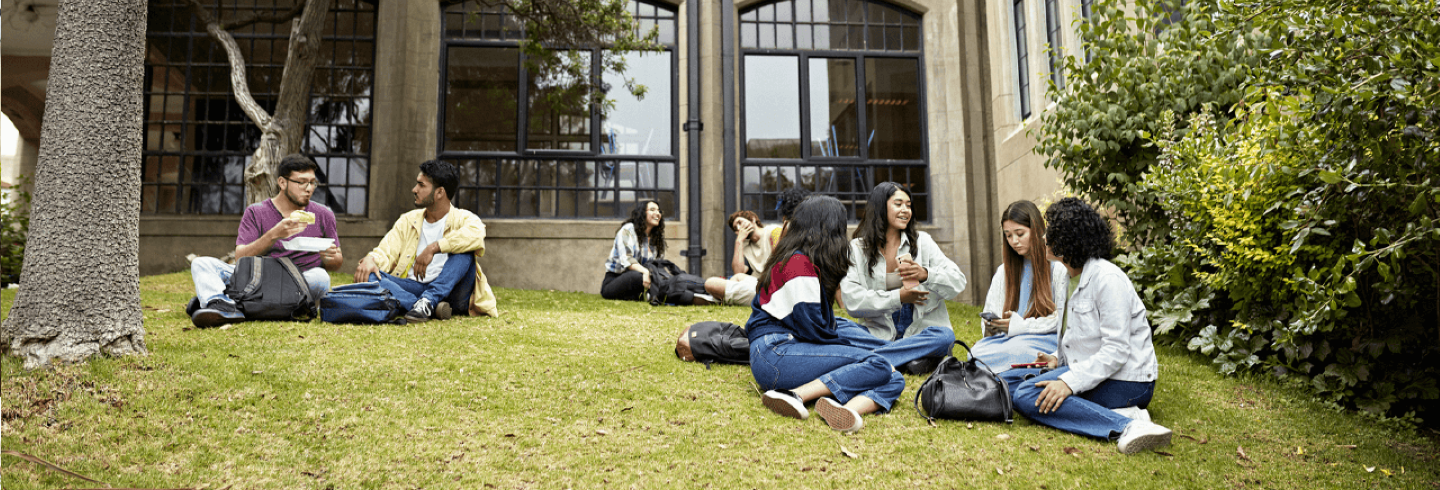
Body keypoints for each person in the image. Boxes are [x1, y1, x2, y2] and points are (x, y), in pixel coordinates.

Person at [998, 197, 1172, 454]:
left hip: (1128, 382)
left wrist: (1068, 383)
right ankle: (1121, 412)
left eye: (1050, 232)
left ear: (1069, 238)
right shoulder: (1068, 278)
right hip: (1092, 372)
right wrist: (1057, 359)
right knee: (1007, 382)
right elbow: (1080, 336)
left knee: (1026, 395)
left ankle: (1127, 426)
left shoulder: (1107, 278)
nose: (1044, 238)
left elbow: (1116, 351)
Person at [749, 196, 905, 433]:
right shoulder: (797, 263)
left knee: (893, 377)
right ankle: (794, 395)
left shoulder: (801, 259)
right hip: (776, 355)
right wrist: (857, 354)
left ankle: (847, 410)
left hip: (784, 352)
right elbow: (814, 330)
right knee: (877, 363)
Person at [189, 154, 342, 328]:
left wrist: (330, 257)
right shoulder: (256, 212)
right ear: (282, 183)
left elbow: (337, 262)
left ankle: (225, 302)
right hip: (257, 278)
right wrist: (273, 235)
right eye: (301, 182)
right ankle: (221, 303)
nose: (309, 188)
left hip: (298, 282)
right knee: (201, 263)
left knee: (321, 277)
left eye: (312, 182)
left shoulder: (324, 214)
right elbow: (241, 258)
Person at [839, 182, 966, 370]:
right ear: (881, 207)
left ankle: (875, 358)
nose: (906, 210)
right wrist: (898, 297)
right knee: (838, 327)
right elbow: (852, 301)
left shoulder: (923, 241)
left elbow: (958, 281)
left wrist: (926, 275)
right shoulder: (857, 248)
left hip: (920, 330)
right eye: (898, 204)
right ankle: (908, 357)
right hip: (878, 330)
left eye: (908, 205)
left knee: (944, 336)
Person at [354, 160, 499, 322]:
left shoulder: (465, 218)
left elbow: (476, 236)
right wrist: (371, 259)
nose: (414, 190)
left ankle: (428, 300)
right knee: (371, 275)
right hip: (414, 287)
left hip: (454, 292)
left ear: (439, 192)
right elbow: (386, 250)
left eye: (421, 185)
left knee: (465, 251)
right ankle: (423, 305)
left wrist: (434, 248)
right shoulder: (408, 220)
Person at [971, 201, 1068, 372]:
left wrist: (1021, 326)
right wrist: (994, 325)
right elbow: (990, 313)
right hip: (1008, 339)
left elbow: (1062, 318)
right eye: (1008, 236)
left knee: (1018, 350)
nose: (1014, 241)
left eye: (1020, 233)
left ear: (1037, 230)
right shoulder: (1003, 272)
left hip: (1043, 338)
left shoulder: (1057, 268)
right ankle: (1015, 367)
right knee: (976, 352)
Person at [702, 210, 780, 306]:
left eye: (739, 222)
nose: (739, 228)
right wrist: (739, 241)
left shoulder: (772, 231)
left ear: (753, 219)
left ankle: (723, 299)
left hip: (774, 286)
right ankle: (726, 298)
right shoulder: (746, 246)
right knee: (712, 282)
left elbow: (779, 260)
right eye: (736, 228)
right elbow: (738, 272)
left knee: (712, 285)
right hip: (758, 285)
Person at [600, 200, 666, 301]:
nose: (657, 213)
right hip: (615, 280)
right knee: (635, 276)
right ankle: (650, 296)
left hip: (643, 280)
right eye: (652, 210)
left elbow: (656, 264)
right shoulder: (628, 230)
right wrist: (646, 272)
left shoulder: (656, 239)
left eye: (659, 211)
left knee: (664, 281)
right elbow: (628, 260)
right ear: (642, 213)